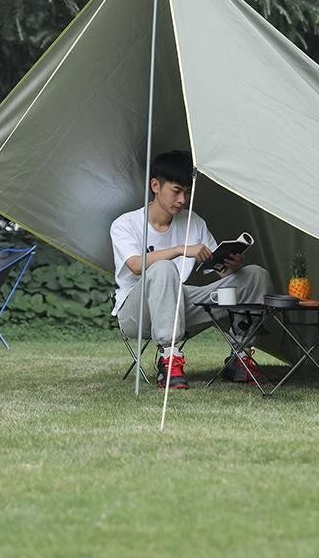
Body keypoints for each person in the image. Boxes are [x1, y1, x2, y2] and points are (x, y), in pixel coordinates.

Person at [111, 150, 274, 390]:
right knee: (164, 268)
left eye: (187, 192)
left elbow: (219, 274)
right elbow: (135, 265)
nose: (182, 199)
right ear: (155, 185)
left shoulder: (193, 222)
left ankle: (241, 357)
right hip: (137, 313)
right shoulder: (126, 224)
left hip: (180, 306)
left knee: (255, 275)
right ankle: (170, 360)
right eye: (176, 191)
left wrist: (231, 266)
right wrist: (179, 249)